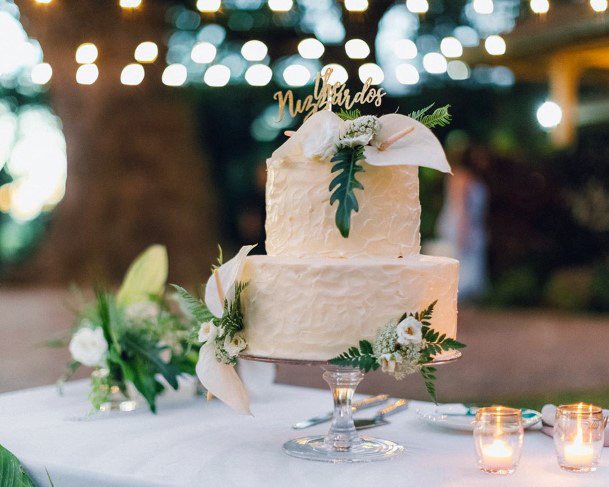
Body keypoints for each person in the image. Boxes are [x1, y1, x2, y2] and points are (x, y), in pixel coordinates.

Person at [436, 144, 490, 300]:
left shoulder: (474, 178)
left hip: (473, 226)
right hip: (460, 226)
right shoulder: (460, 176)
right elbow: (460, 207)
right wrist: (462, 232)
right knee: (460, 274)